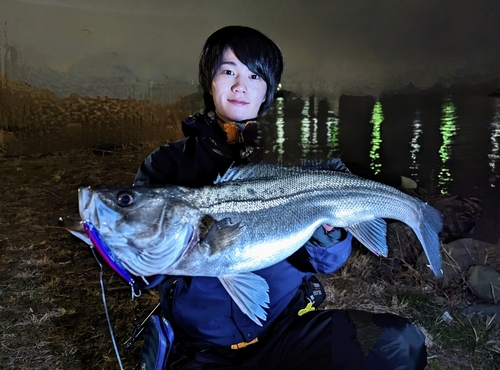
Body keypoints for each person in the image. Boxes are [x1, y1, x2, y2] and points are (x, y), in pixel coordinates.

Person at [133, 25, 427, 370]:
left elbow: (329, 262)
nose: (240, 85)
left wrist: (327, 234)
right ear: (209, 82)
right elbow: (143, 270)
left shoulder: (295, 162)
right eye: (228, 71)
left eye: (255, 75)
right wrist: (121, 248)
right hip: (201, 348)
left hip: (286, 332)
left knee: (399, 347)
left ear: (268, 91)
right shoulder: (167, 164)